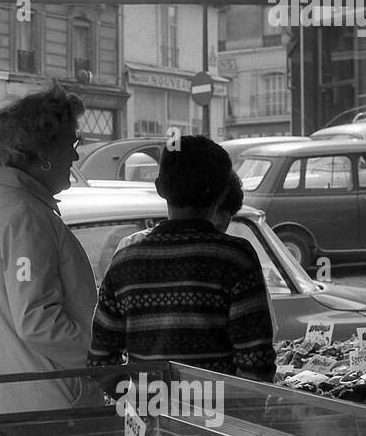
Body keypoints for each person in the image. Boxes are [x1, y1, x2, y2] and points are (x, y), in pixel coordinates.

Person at [0, 83, 97, 418]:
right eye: (71, 143)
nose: (75, 156)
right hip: (40, 405)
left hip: (3, 402)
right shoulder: (24, 215)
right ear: (42, 153)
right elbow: (37, 321)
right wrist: (100, 352)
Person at [87, 137, 276, 381]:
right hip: (217, 416)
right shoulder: (235, 257)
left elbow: (100, 361)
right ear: (222, 192)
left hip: (148, 415)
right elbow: (257, 364)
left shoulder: (127, 255)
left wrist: (141, 404)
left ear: (159, 188)